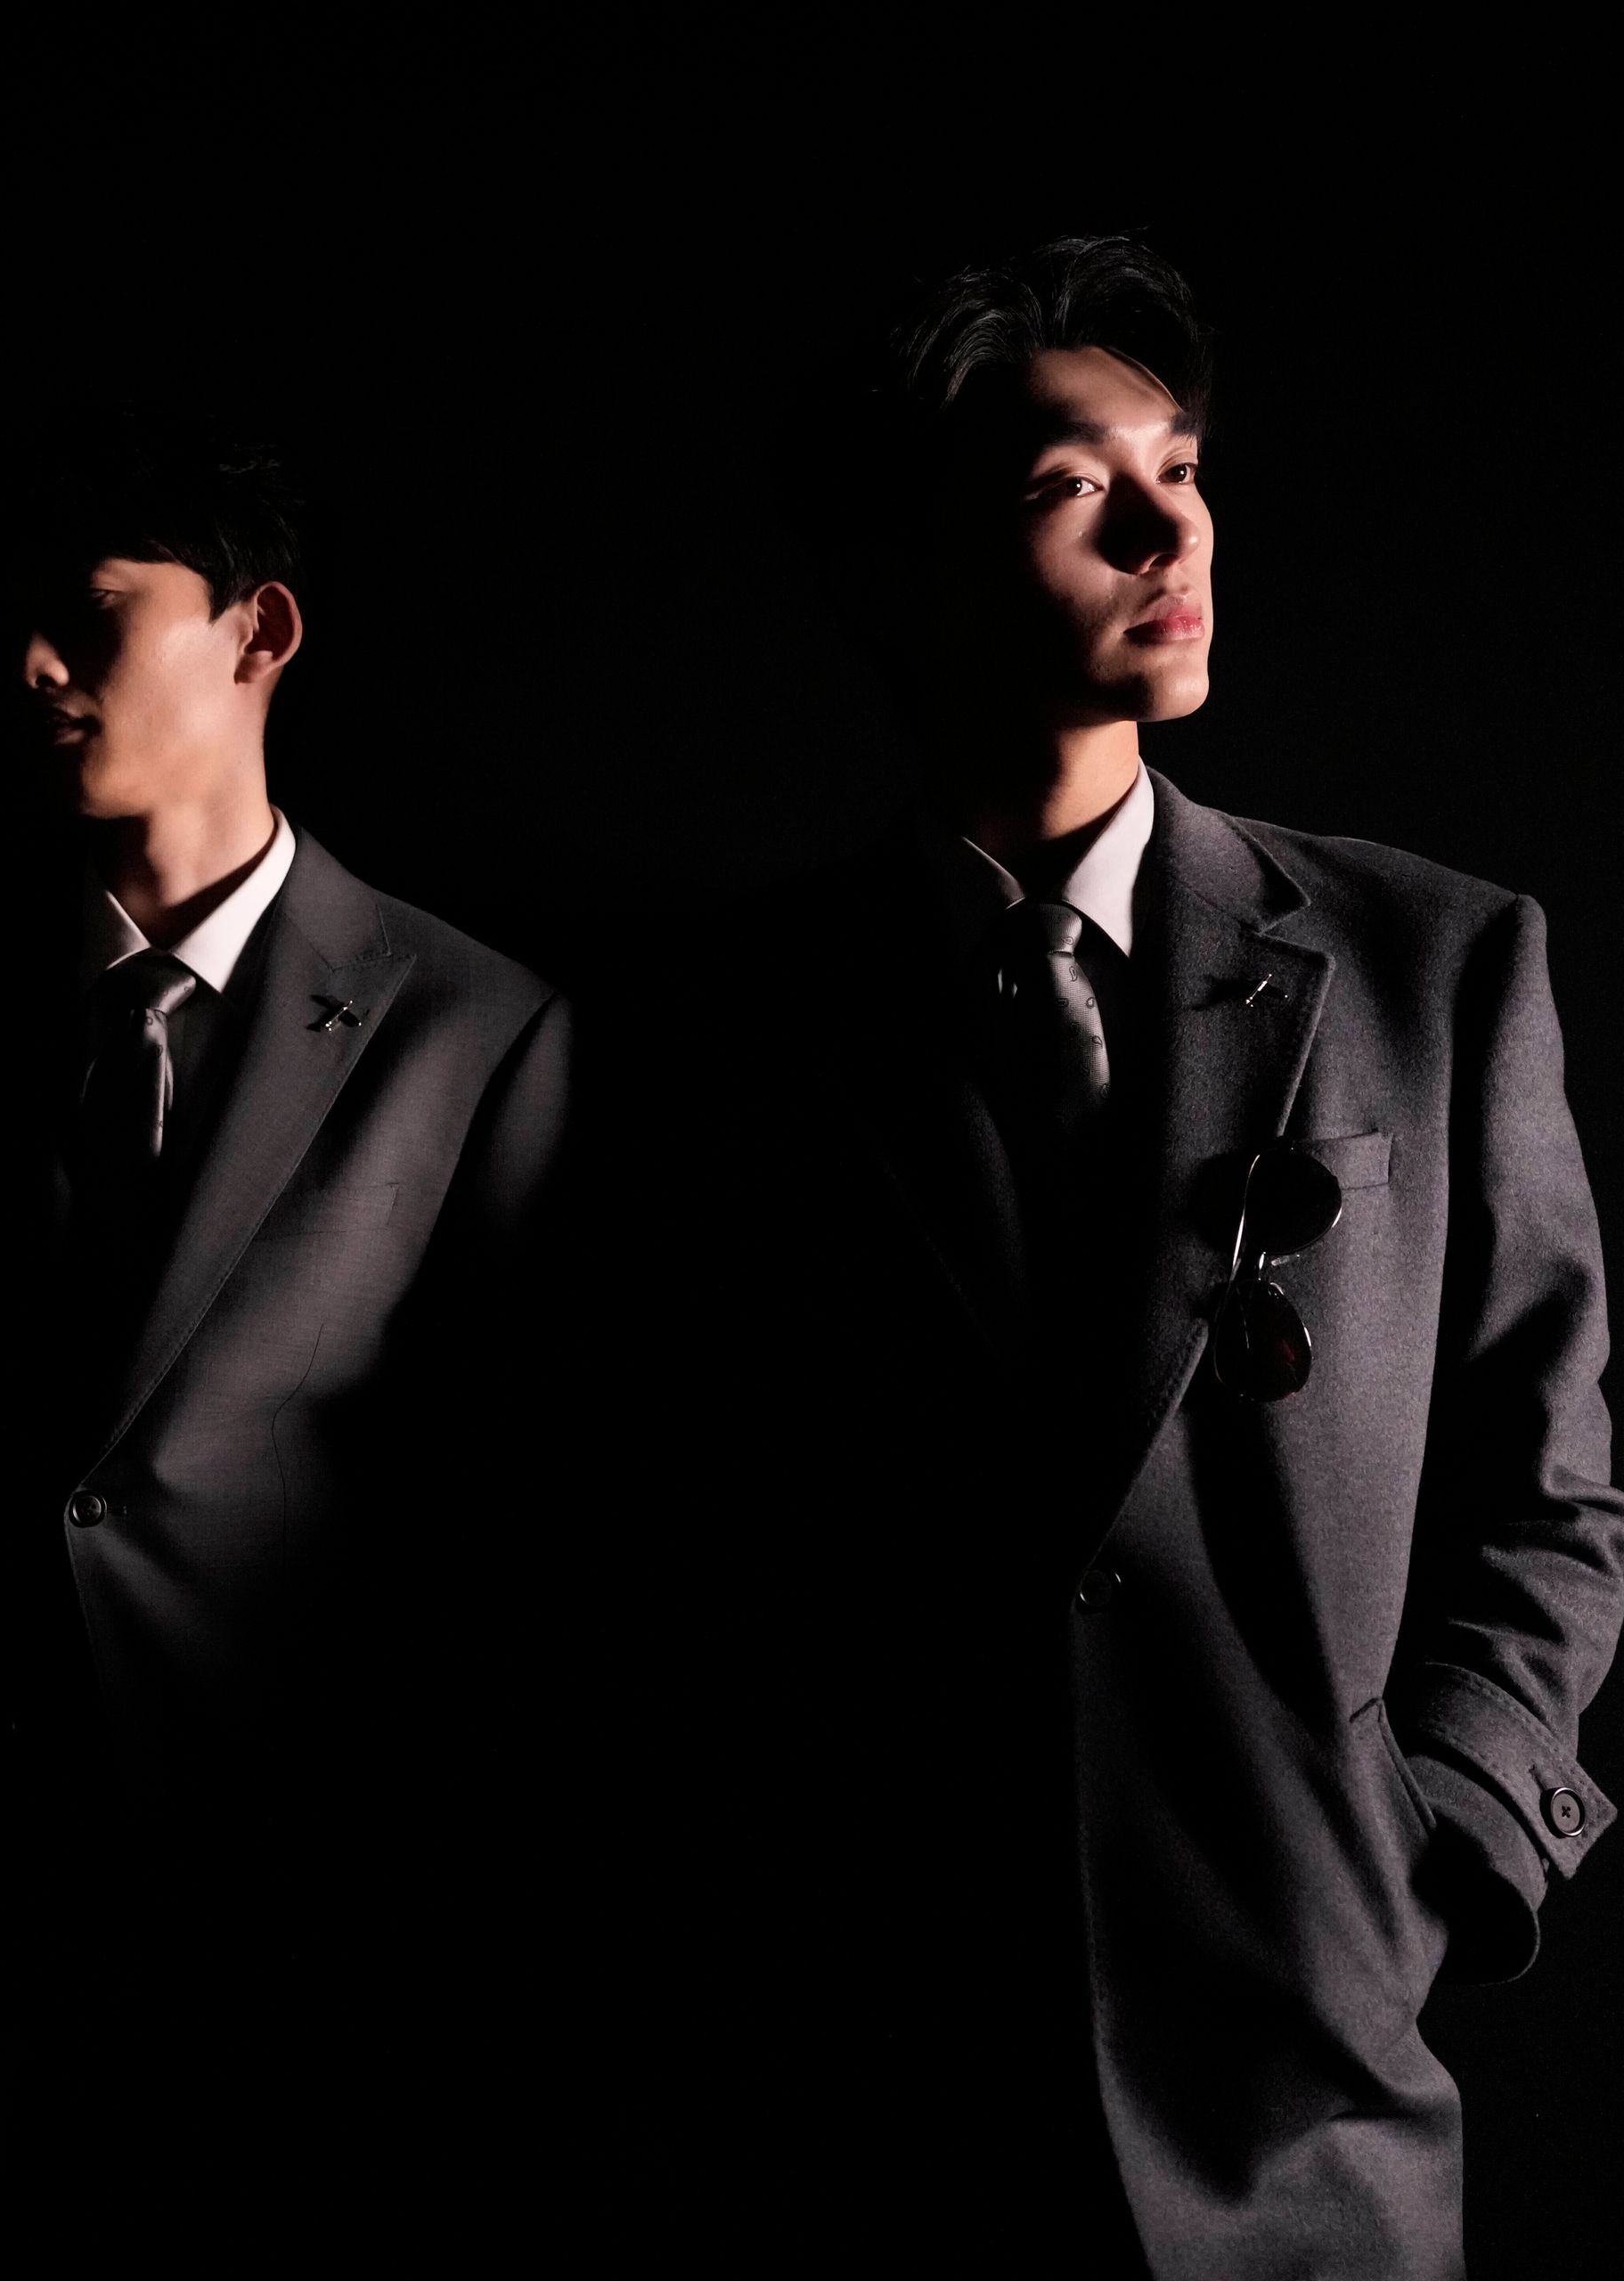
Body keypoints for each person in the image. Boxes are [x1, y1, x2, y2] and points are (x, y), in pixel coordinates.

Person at [682, 237, 1624, 2272]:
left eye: (1181, 463)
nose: (1163, 518)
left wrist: (1430, 1847)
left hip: (1312, 2105)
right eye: (1064, 481)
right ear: (891, 569)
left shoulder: (1435, 960)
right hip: (874, 2112)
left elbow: (1545, 1496)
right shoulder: (727, 1028)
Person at [0, 421, 574, 2266]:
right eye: (18, 623)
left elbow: (505, 1523)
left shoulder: (477, 1029)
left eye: (93, 614)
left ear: (259, 631)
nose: (34, 666)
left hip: (286, 1918)